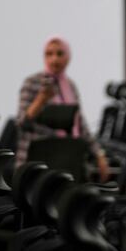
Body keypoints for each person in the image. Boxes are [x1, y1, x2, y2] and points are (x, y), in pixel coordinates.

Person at [16, 37, 109, 181]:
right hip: (36, 163)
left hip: (66, 160)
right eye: (49, 54)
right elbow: (22, 123)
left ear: (68, 57)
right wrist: (40, 101)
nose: (54, 59)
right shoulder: (33, 82)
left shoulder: (70, 86)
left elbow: (80, 124)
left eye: (60, 54)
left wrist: (99, 154)